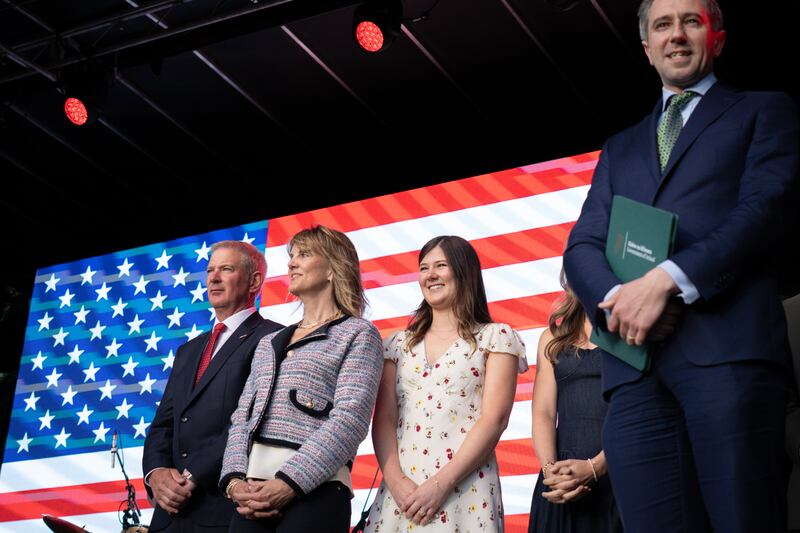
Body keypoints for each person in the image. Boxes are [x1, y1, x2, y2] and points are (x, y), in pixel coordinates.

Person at [562, 0, 800, 530]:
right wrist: (618, 306)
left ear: (717, 37)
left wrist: (667, 281)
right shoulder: (619, 148)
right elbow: (581, 245)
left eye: (691, 21)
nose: (677, 35)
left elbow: (764, 211)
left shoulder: (763, 110)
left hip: (728, 359)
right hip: (635, 374)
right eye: (663, 26)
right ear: (647, 49)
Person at [219, 225, 384, 533]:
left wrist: (289, 482)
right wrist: (233, 482)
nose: (292, 263)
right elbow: (241, 417)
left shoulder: (359, 334)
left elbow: (351, 420)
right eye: (291, 256)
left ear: (334, 268)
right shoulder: (269, 342)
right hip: (251, 497)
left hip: (317, 493)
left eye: (304, 255)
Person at [365, 235, 528, 532]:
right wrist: (396, 481)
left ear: (464, 271)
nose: (430, 275)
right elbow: (384, 418)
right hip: (401, 495)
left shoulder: (496, 338)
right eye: (424, 268)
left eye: (441, 265)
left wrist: (441, 485)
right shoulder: (397, 345)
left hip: (466, 494)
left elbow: (495, 419)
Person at [143, 240, 283, 532]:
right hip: (170, 516)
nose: (213, 278)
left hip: (223, 511)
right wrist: (156, 475)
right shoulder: (188, 351)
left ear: (254, 281)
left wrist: (192, 476)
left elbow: (253, 420)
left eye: (226, 269)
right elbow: (164, 424)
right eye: (210, 270)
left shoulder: (274, 338)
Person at [528, 272, 622, 533]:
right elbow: (543, 413)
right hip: (561, 482)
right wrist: (551, 474)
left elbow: (644, 410)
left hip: (620, 473)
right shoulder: (553, 337)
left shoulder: (632, 330)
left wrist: (596, 467)